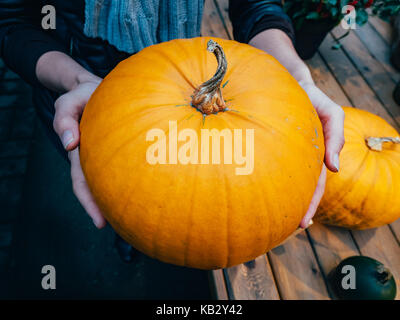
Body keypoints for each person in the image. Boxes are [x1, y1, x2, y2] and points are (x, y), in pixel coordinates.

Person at [0, 0, 344, 263]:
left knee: (181, 201)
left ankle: (148, 230)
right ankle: (133, 233)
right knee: (123, 197)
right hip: (88, 101)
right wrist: (76, 79)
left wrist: (298, 79)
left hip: (186, 66)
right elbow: (12, 22)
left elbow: (256, 6)